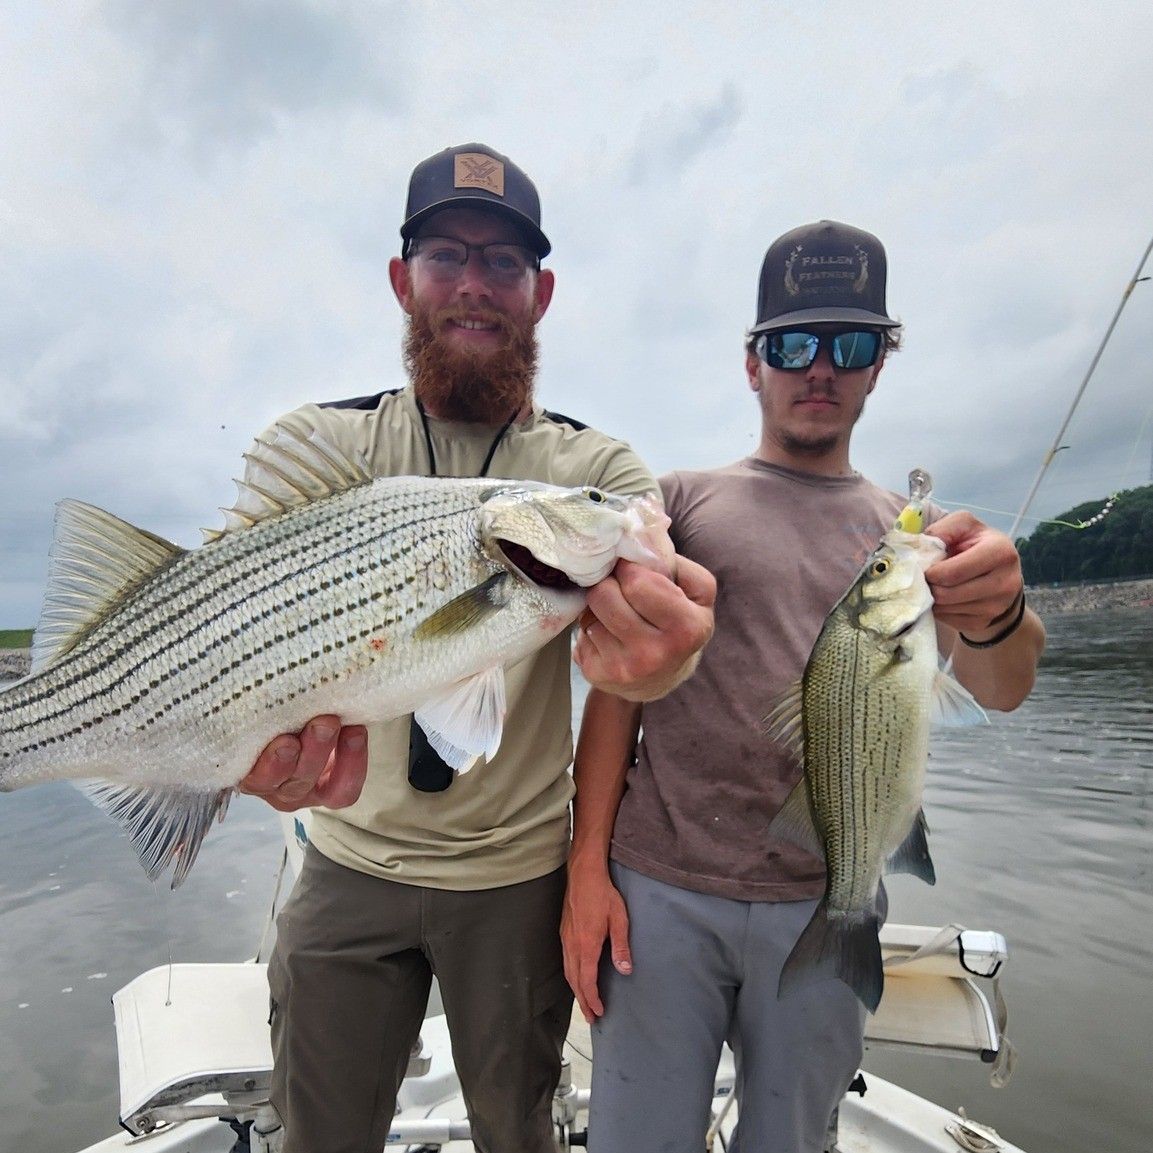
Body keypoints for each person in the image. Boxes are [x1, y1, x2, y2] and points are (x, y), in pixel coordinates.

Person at [235, 143, 716, 1153]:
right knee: (318, 1134)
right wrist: (247, 753)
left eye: (503, 264)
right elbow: (238, 638)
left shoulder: (595, 467)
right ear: (401, 278)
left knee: (517, 1129)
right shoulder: (330, 447)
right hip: (348, 859)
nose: (472, 285)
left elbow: (637, 665)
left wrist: (665, 655)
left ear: (540, 292)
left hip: (515, 874)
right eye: (447, 254)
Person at [562, 220, 1046, 1153]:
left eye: (849, 345)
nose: (817, 368)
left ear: (876, 366)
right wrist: (587, 870)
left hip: (831, 892)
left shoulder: (913, 542)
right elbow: (615, 692)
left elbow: (1002, 682)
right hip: (659, 890)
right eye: (792, 344)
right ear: (754, 365)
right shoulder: (681, 502)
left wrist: (997, 610)